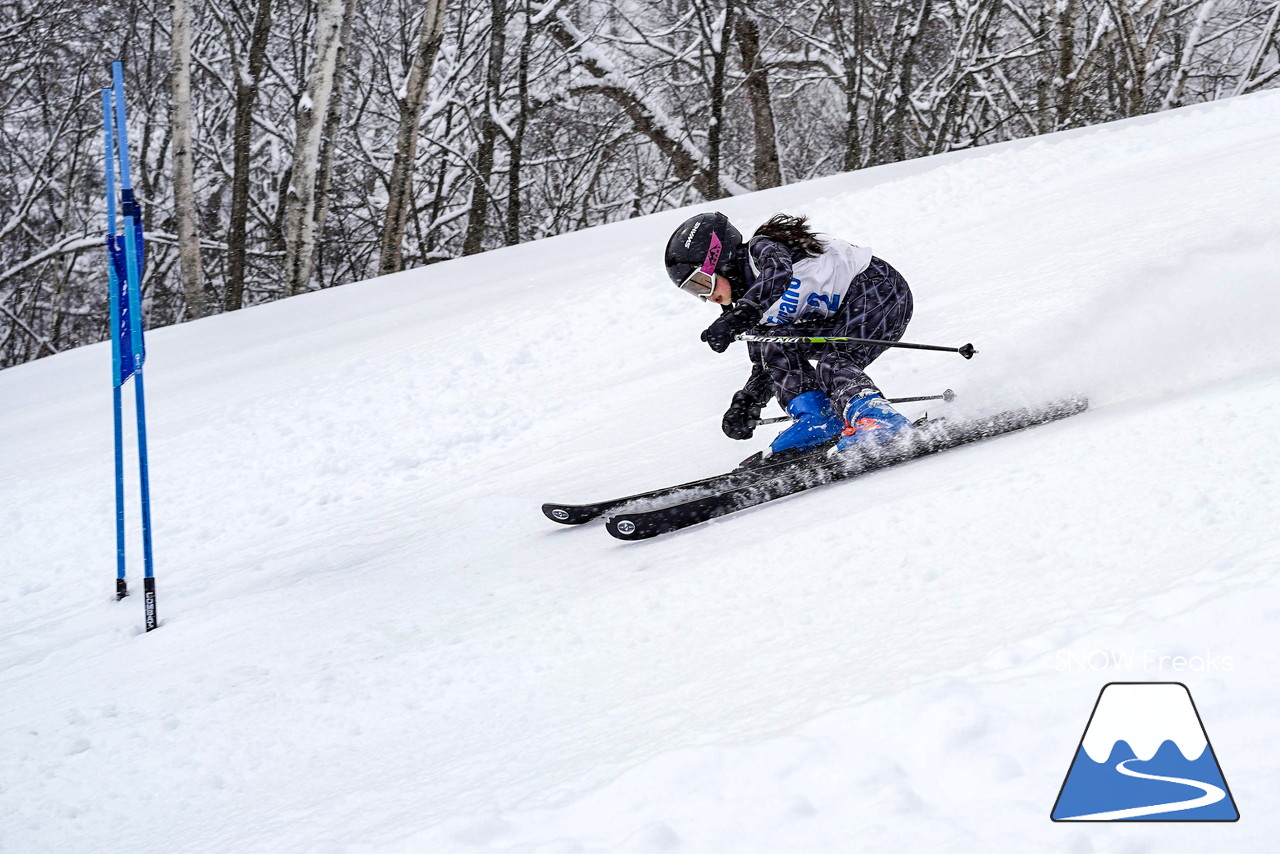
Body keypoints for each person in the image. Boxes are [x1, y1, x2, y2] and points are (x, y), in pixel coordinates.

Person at [664, 211, 915, 456]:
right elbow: (766, 364)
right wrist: (747, 402)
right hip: (841, 316)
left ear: (719, 260)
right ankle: (819, 419)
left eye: (701, 283)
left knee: (834, 361)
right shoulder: (753, 309)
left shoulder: (761, 250)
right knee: (774, 345)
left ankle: (878, 419)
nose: (706, 297)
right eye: (694, 293)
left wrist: (737, 318)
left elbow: (779, 274)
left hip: (880, 291)